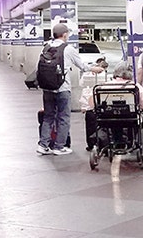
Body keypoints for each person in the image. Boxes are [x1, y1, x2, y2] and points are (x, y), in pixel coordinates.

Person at [38, 24, 103, 156]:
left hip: (47, 88)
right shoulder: (68, 49)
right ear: (65, 34)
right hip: (62, 88)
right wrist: (94, 69)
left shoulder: (46, 47)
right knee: (63, 117)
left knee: (48, 116)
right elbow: (82, 66)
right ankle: (59, 146)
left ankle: (43, 145)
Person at [83, 63, 143, 151]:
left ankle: (114, 141)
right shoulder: (136, 87)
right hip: (130, 119)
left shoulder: (103, 86)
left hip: (107, 118)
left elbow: (92, 104)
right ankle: (130, 140)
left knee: (113, 119)